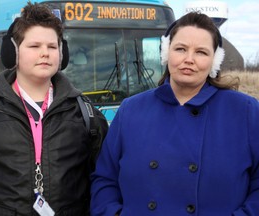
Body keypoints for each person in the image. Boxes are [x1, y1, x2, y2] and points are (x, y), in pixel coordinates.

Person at [90, 12, 259, 215]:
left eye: (201, 52)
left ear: (214, 61)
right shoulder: (130, 110)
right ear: (166, 52)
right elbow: (104, 180)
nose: (189, 59)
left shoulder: (245, 112)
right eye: (180, 49)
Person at [0, 2, 108, 215]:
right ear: (13, 52)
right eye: (34, 46)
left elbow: (102, 180)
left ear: (62, 53)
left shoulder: (85, 113)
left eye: (52, 47)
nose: (45, 53)